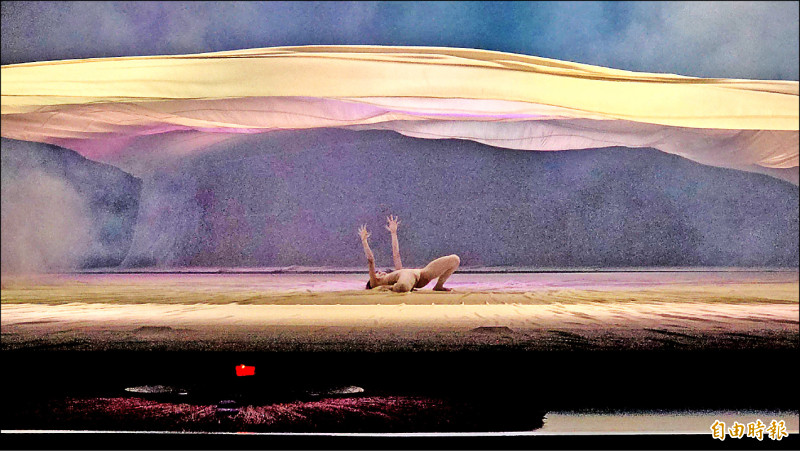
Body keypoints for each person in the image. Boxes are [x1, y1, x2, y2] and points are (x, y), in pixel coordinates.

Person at [358, 215, 460, 292]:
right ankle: (393, 288)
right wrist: (364, 241)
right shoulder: (375, 282)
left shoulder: (396, 273)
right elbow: (371, 260)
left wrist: (393, 233)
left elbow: (396, 254)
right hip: (407, 280)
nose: (380, 272)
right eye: (377, 272)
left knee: (454, 259)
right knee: (402, 286)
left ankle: (439, 286)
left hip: (422, 274)